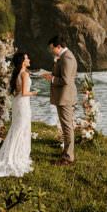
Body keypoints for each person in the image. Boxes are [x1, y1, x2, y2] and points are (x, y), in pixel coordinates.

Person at [41, 36, 78, 166]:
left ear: (58, 47)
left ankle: (68, 157)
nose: (51, 51)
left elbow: (66, 80)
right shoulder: (64, 57)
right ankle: (66, 153)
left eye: (52, 48)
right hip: (64, 96)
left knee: (67, 127)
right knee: (66, 126)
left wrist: (51, 78)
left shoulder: (67, 57)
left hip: (65, 97)